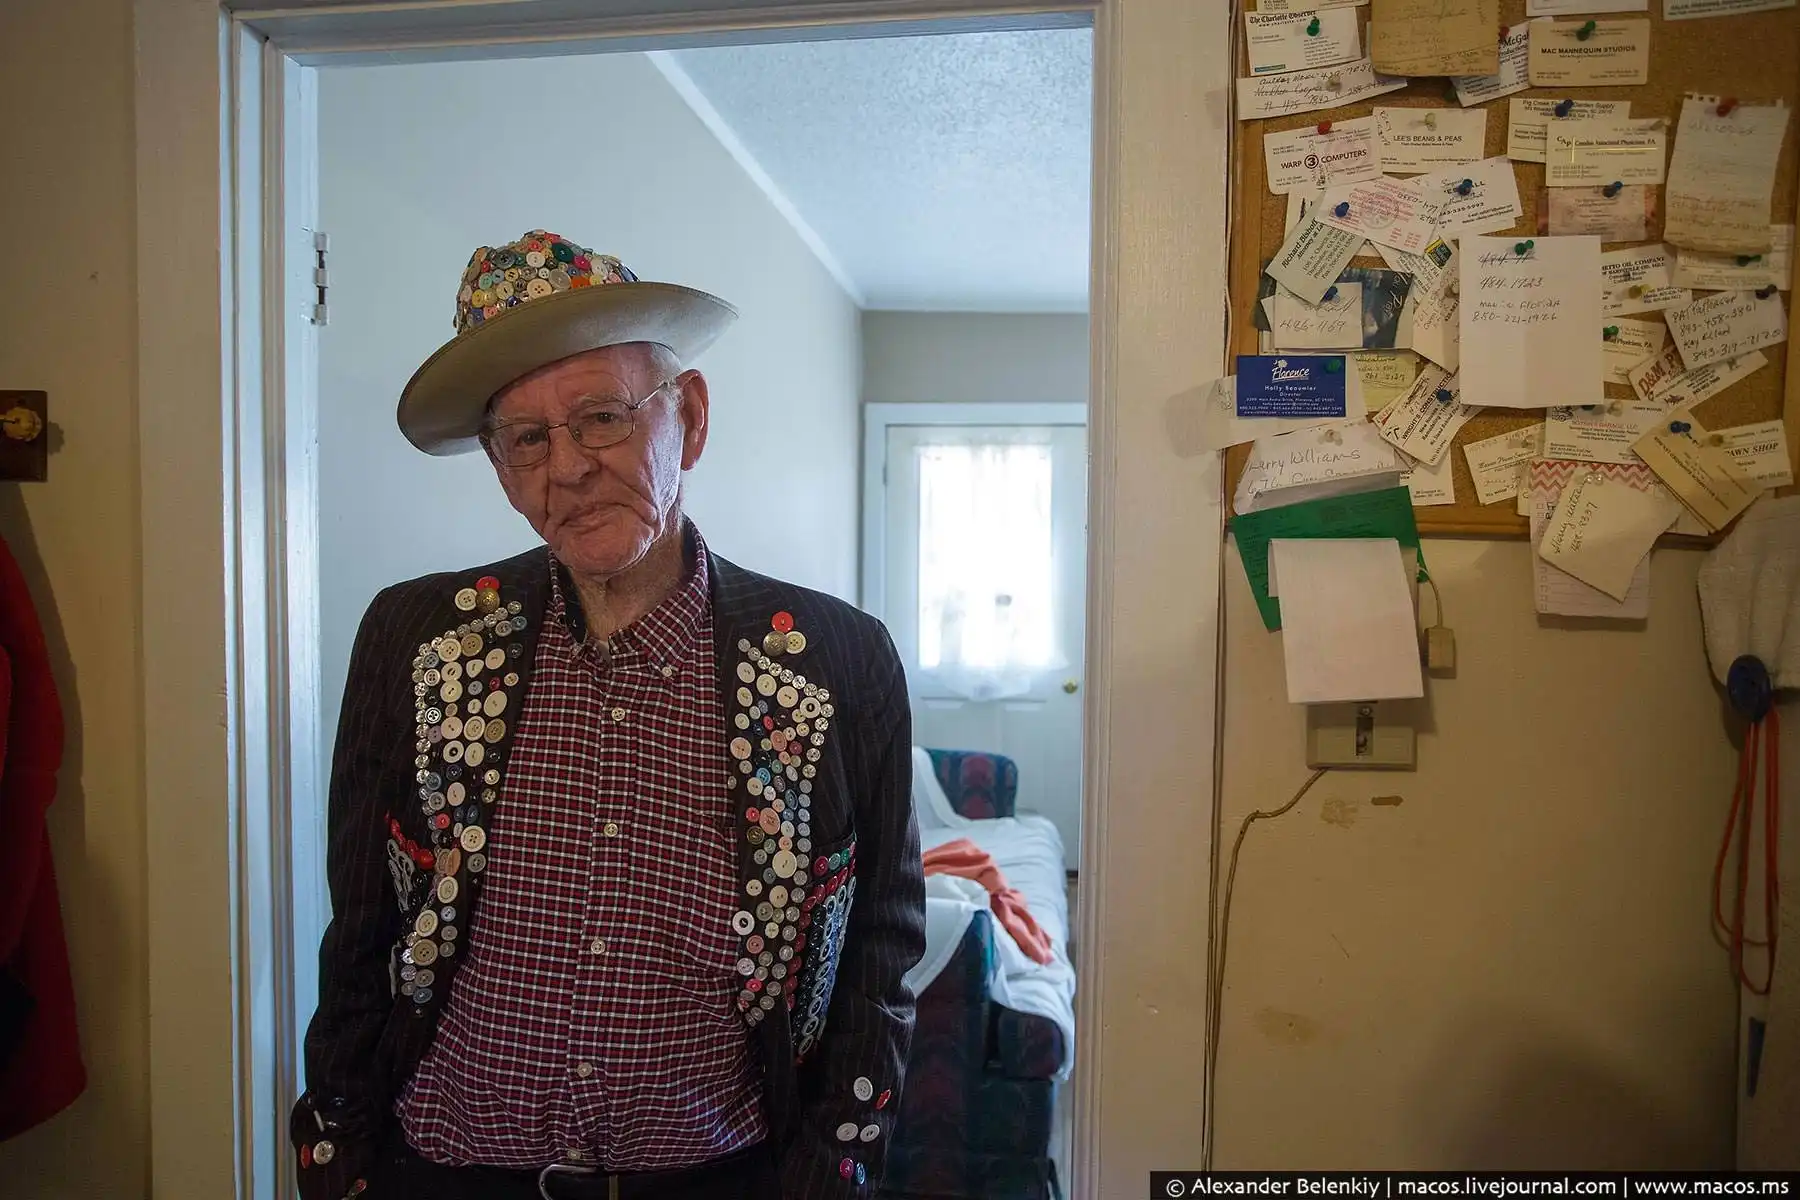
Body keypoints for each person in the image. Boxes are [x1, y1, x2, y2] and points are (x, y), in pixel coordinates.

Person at [290, 231, 925, 1200]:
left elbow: (882, 940)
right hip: (445, 1173)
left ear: (690, 419)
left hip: (722, 1179)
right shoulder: (415, 639)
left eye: (601, 418)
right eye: (527, 440)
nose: (569, 468)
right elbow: (361, 925)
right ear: (500, 467)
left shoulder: (837, 658)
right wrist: (340, 1152)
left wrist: (833, 1167)